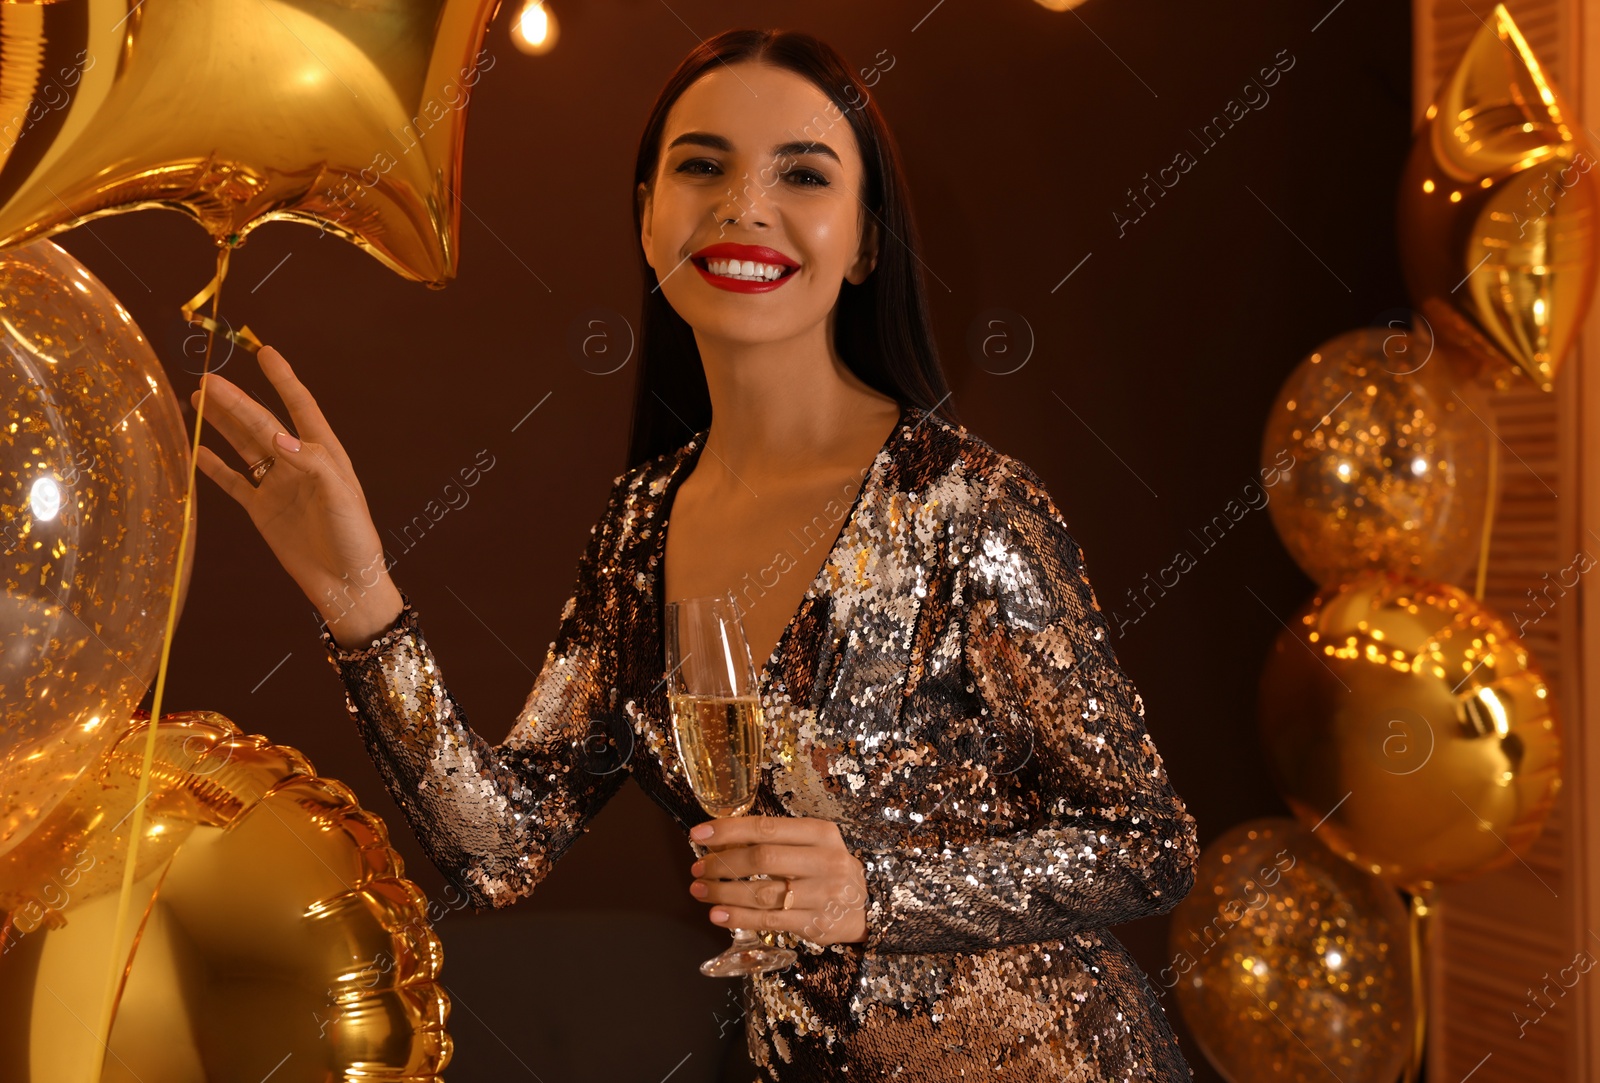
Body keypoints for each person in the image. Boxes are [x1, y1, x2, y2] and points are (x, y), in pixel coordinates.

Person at [192, 27, 1201, 1081]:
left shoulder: (964, 504)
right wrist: (360, 601)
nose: (741, 205)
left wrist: (877, 891)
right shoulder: (640, 527)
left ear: (862, 243)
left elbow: (1148, 841)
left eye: (802, 173)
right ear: (646, 216)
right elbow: (500, 849)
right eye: (702, 165)